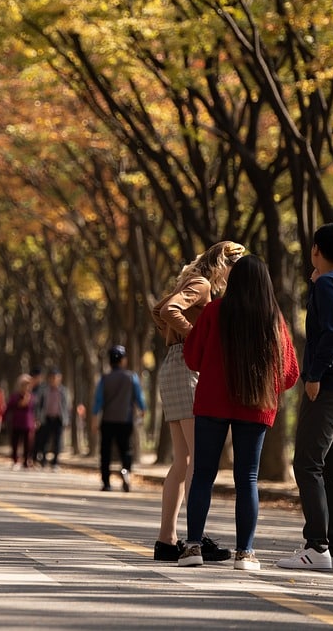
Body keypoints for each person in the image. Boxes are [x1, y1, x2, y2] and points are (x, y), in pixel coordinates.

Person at [177, 255, 301, 571]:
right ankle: (245, 553)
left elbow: (191, 358)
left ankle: (192, 547)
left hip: (212, 402)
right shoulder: (274, 320)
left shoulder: (214, 312)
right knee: (247, 478)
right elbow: (289, 373)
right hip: (254, 405)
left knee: (204, 473)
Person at [151, 240, 246, 562]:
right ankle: (195, 537)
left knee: (184, 461)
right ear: (225, 265)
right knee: (200, 458)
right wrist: (193, 335)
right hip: (186, 367)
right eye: (236, 269)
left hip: (174, 366)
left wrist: (174, 337)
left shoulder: (193, 282)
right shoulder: (201, 284)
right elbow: (167, 310)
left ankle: (167, 540)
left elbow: (158, 309)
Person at [276, 223, 333, 573]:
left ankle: (316, 546)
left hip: (327, 389)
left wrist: (313, 376)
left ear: (316, 250)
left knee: (306, 464)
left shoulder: (327, 284)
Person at [92, 345, 145, 491]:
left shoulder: (105, 378)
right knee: (126, 449)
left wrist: (94, 418)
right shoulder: (131, 377)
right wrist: (143, 410)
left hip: (108, 420)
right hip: (125, 420)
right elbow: (139, 397)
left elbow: (98, 400)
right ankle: (125, 471)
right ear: (122, 360)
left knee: (105, 452)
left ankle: (106, 482)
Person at [36, 368, 71, 468]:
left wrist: (67, 419)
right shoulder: (44, 390)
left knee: (57, 441)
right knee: (44, 440)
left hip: (58, 419)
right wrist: (38, 418)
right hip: (46, 418)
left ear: (60, 378)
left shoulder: (63, 391)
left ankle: (55, 462)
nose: (54, 379)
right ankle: (43, 460)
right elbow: (39, 405)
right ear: (49, 378)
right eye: (52, 377)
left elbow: (67, 406)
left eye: (56, 377)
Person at [5, 373, 37, 469]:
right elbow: (8, 408)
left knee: (28, 444)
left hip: (28, 424)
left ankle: (26, 461)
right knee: (15, 443)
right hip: (16, 422)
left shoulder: (32, 397)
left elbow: (35, 410)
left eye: (28, 385)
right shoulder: (15, 397)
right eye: (24, 385)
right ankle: (15, 460)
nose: (26, 387)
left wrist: (36, 420)